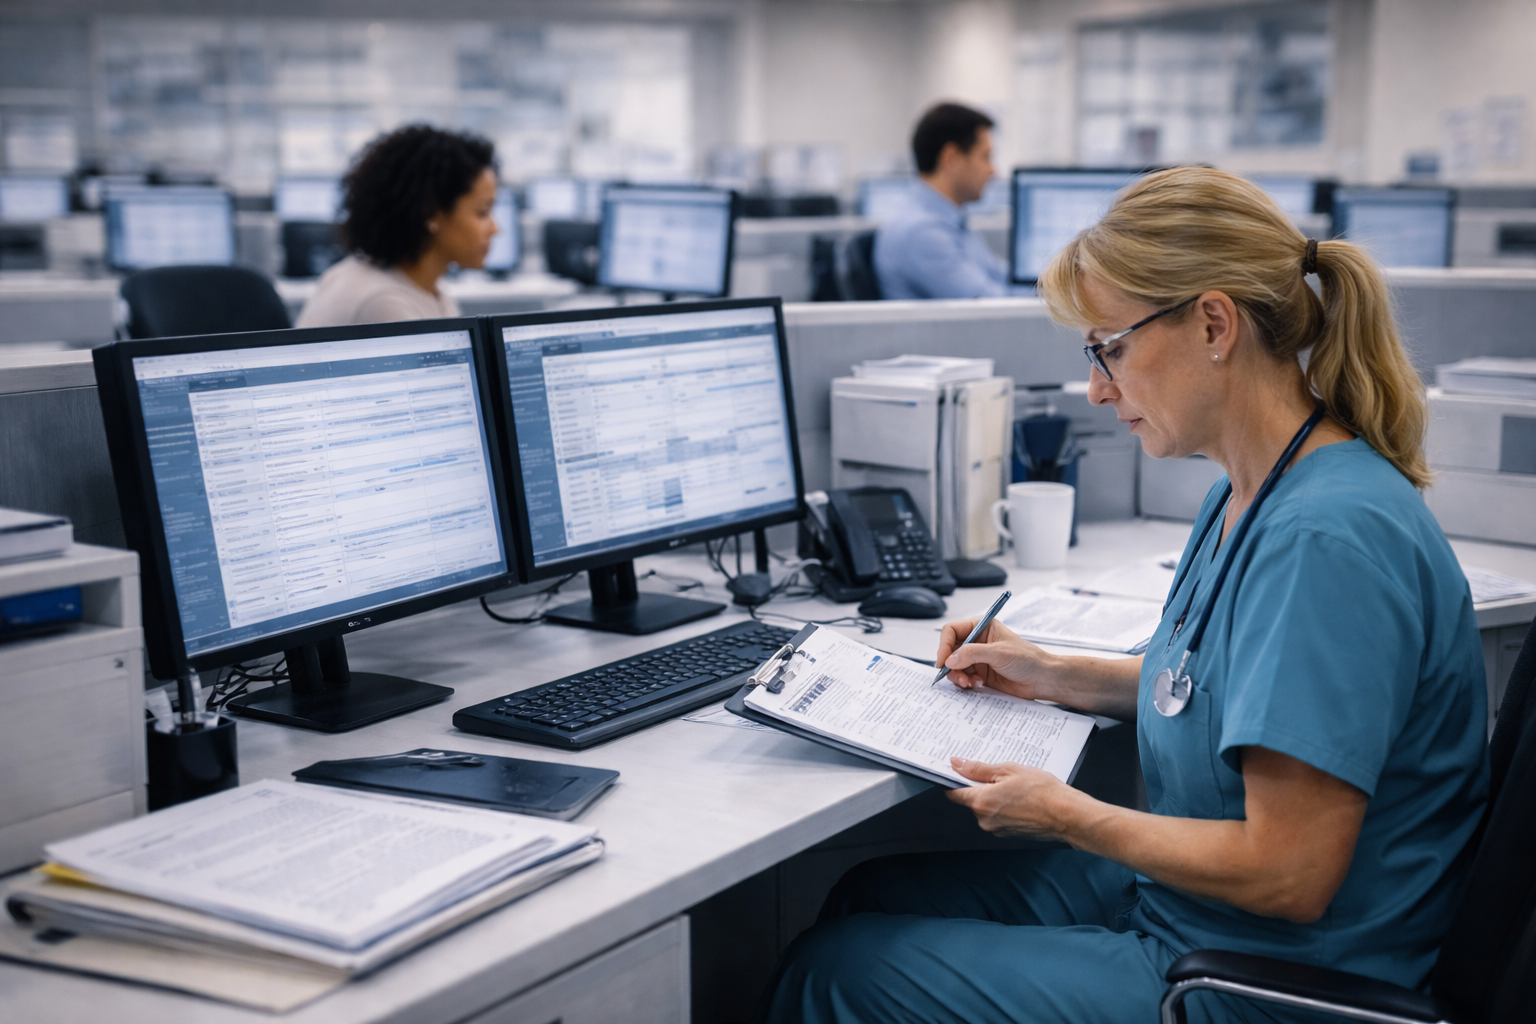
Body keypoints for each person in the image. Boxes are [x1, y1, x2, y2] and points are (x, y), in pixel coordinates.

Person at [759, 167, 1489, 1023]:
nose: (1099, 388)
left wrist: (1068, 815)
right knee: (867, 893)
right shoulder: (1251, 489)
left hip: (1270, 978)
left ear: (1214, 324)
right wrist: (1051, 673)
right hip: (1195, 911)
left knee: (832, 972)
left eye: (1111, 348)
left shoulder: (1322, 541)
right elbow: (1211, 689)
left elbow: (1290, 873)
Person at [295, 125, 499, 328]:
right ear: (430, 214)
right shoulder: (385, 304)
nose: (495, 229)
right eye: (482, 212)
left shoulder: (422, 291)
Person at [873, 102, 1011, 300]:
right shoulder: (923, 232)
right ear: (951, 158)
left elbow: (998, 275)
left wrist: (1049, 286)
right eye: (985, 157)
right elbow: (989, 303)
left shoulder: (948, 220)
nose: (993, 171)